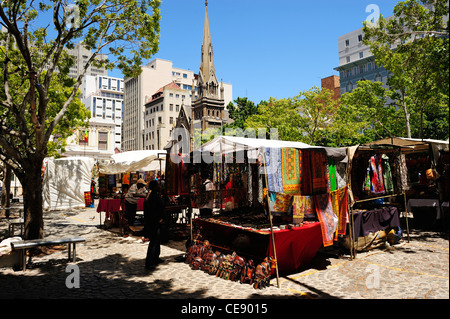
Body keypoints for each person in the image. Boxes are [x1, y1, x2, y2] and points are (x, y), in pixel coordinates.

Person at [144, 180, 165, 269]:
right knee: (153, 241)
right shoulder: (152, 197)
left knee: (157, 240)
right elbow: (153, 211)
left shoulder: (154, 196)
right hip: (153, 222)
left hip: (155, 221)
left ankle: (156, 257)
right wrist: (158, 219)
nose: (160, 187)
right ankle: (149, 262)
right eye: (158, 185)